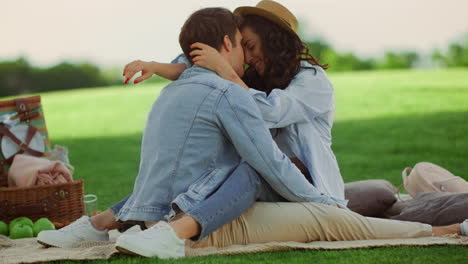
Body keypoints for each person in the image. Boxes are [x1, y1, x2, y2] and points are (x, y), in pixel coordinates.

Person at [37, 6, 340, 257]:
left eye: (250, 46)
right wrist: (155, 66)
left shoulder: (312, 82)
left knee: (246, 167)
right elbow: (196, 65)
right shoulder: (252, 77)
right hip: (268, 174)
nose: (246, 56)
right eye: (241, 46)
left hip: (302, 181)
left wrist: (227, 71)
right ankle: (99, 224)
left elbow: (272, 112)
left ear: (274, 41)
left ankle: (168, 233)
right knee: (199, 170)